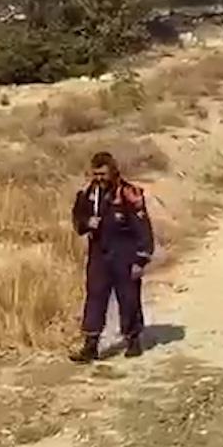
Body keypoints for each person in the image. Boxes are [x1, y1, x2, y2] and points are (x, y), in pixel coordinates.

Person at [70, 152, 155, 363]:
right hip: (99, 253)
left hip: (124, 252)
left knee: (128, 297)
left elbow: (142, 227)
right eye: (95, 173)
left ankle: (133, 339)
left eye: (103, 173)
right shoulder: (88, 193)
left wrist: (141, 259)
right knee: (95, 297)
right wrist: (88, 222)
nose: (99, 178)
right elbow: (78, 217)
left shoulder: (129, 193)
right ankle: (91, 345)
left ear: (113, 171)